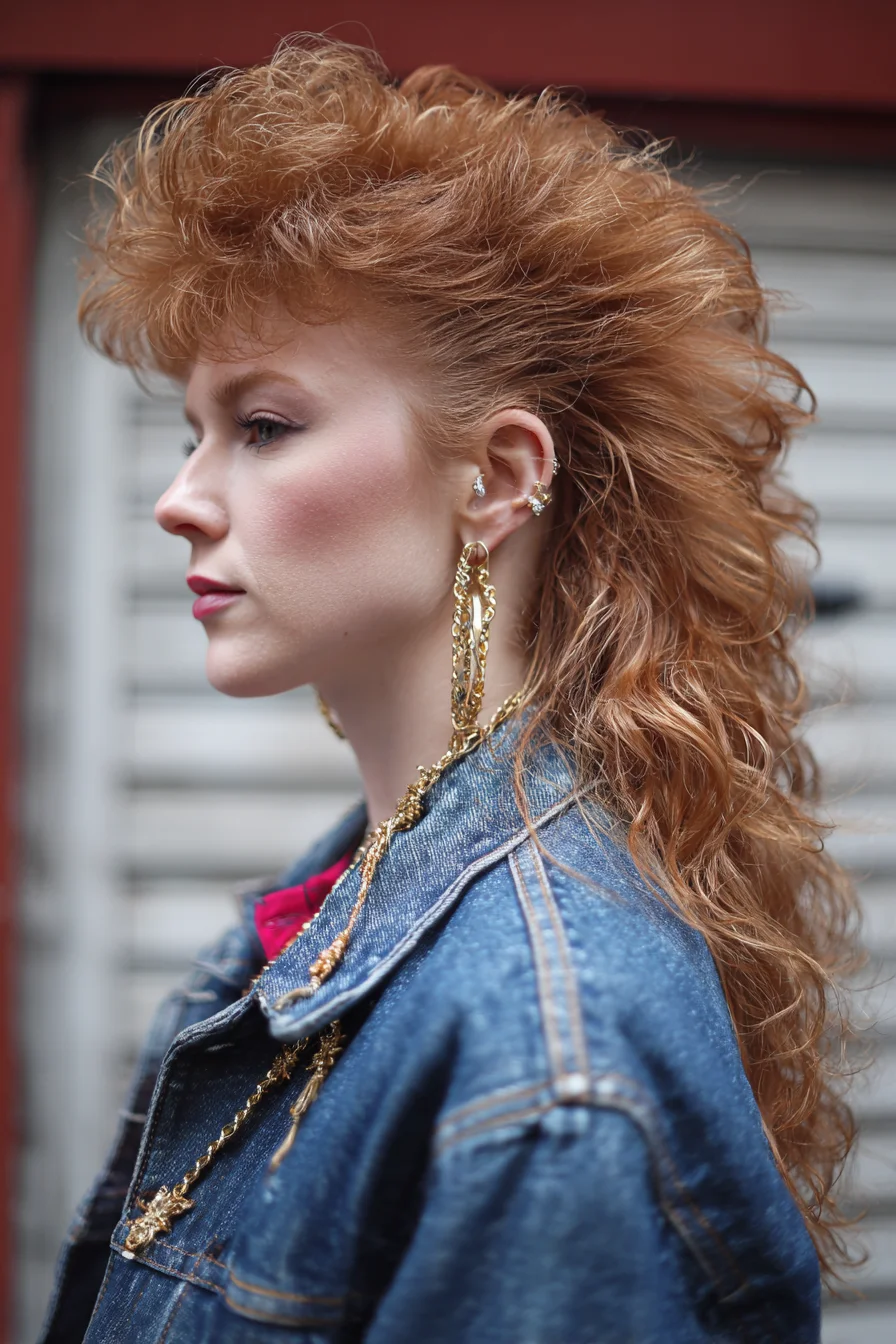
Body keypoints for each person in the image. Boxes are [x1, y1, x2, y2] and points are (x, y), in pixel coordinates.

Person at [40, 36, 861, 1344]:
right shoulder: (339, 909)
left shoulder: (546, 1065)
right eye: (192, 429)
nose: (178, 500)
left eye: (262, 426)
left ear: (493, 481)